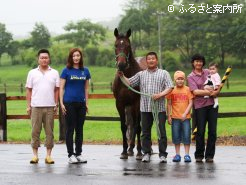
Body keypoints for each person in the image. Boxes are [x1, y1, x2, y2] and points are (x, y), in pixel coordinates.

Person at [118, 51, 173, 163]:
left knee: (161, 132)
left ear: (156, 60)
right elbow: (129, 83)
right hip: (145, 108)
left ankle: (163, 154)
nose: (151, 60)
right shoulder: (141, 74)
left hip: (159, 108)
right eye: (149, 59)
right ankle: (146, 153)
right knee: (145, 132)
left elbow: (170, 87)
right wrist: (122, 76)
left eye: (153, 58)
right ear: (146, 61)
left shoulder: (164, 73)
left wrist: (160, 95)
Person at [26, 49, 59, 164]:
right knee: (35, 131)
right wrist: (28, 106)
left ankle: (48, 156)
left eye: (46, 57)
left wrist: (56, 104)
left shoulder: (54, 72)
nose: (44, 59)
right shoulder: (32, 73)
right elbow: (29, 90)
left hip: (50, 106)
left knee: (49, 131)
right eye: (42, 58)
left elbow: (57, 90)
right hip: (36, 106)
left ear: (49, 59)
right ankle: (35, 156)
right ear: (38, 59)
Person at [59, 48, 91, 164]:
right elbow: (61, 88)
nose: (76, 58)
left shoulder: (85, 71)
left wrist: (86, 103)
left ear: (81, 57)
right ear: (71, 58)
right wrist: (61, 103)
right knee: (70, 129)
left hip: (81, 104)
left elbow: (86, 88)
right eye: (74, 56)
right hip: (69, 103)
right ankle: (70, 155)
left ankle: (78, 154)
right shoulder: (66, 71)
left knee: (79, 129)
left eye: (78, 55)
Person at [187, 54, 220, 163]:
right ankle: (199, 155)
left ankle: (210, 155)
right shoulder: (190, 76)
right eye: (196, 61)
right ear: (193, 63)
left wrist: (217, 91)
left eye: (200, 61)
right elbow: (195, 92)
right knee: (200, 131)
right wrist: (210, 92)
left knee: (212, 131)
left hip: (212, 105)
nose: (199, 63)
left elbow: (217, 82)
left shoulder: (208, 72)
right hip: (199, 106)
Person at [166, 71, 193, 163]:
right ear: (175, 80)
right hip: (175, 118)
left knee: (186, 136)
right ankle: (177, 154)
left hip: (186, 118)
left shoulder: (188, 89)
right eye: (178, 79)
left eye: (182, 79)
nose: (180, 81)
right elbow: (169, 104)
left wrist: (185, 113)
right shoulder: (172, 90)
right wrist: (169, 116)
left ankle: (187, 155)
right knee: (176, 136)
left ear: (184, 80)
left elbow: (191, 103)